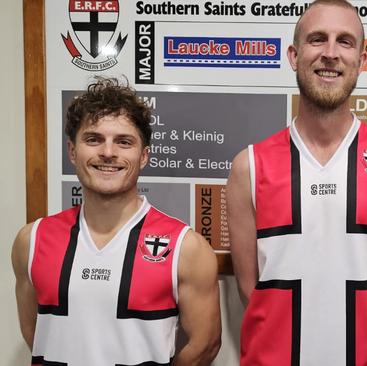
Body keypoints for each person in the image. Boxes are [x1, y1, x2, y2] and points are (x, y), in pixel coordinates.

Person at [226, 0, 367, 364]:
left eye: (345, 41)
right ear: (293, 54)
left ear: (363, 61)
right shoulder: (249, 167)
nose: (330, 53)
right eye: (317, 39)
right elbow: (250, 290)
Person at [11, 78, 221, 365]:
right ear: (72, 151)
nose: (108, 153)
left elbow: (205, 345)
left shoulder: (186, 248)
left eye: (123, 142)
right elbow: (34, 332)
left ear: (143, 155)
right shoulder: (31, 241)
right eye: (93, 139)